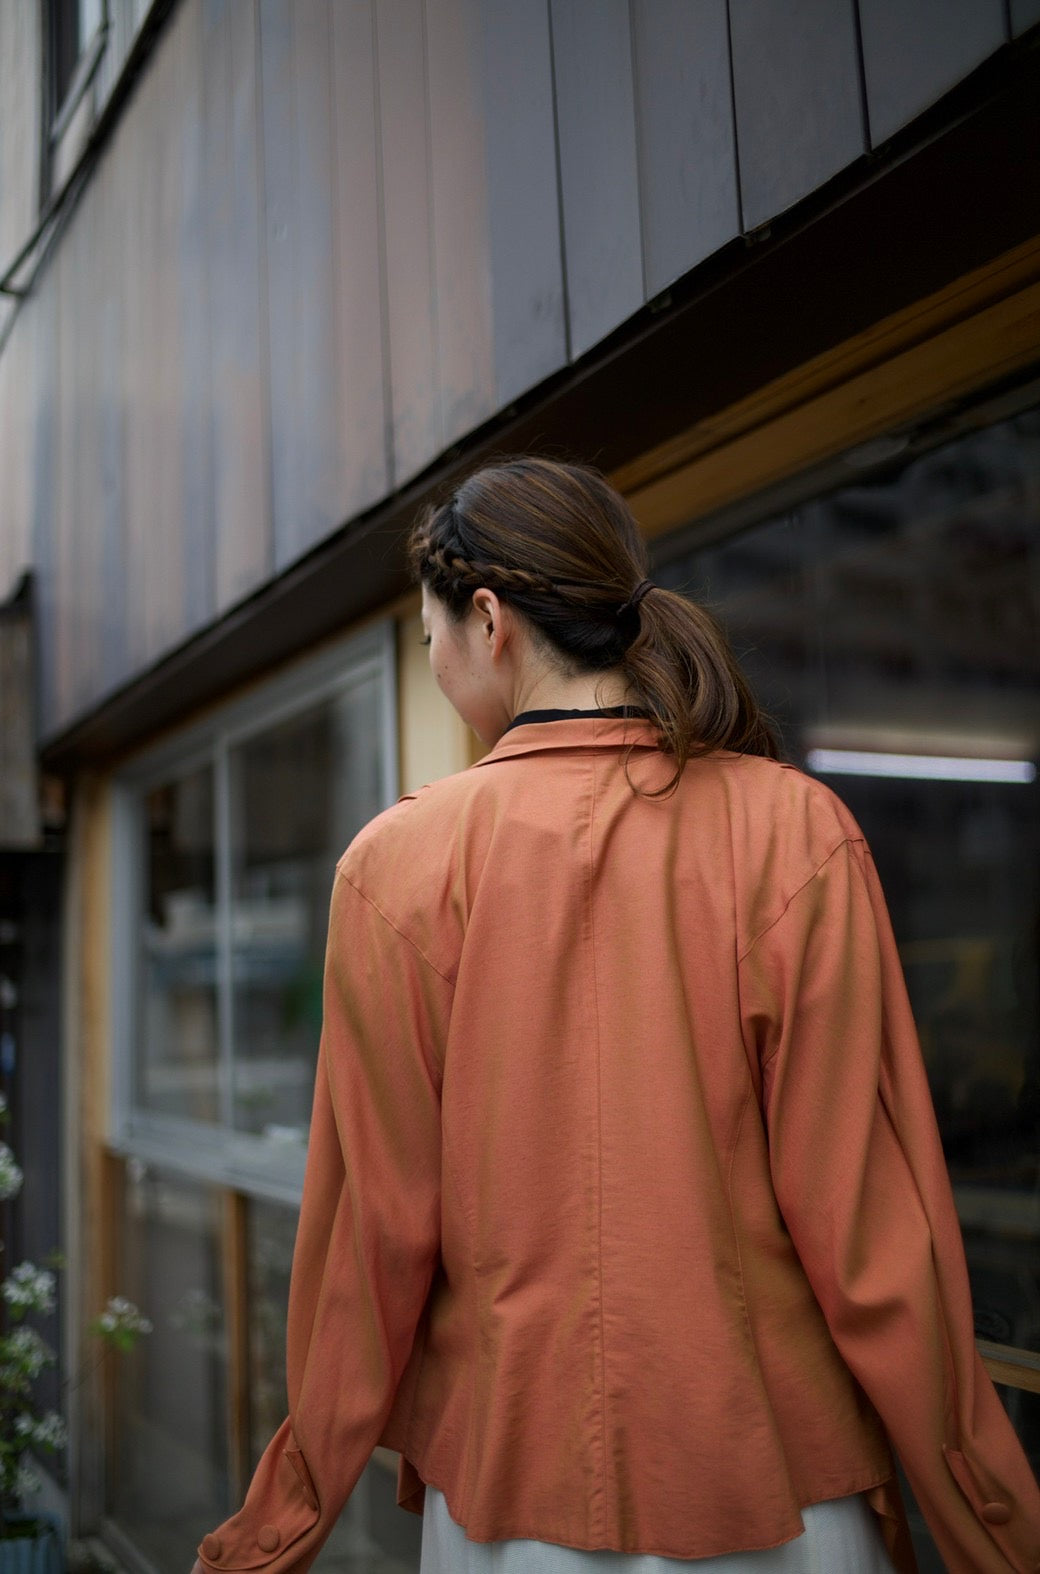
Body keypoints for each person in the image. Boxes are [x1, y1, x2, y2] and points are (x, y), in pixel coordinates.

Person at [192, 458, 1040, 1574]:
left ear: (487, 621)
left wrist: (276, 1526)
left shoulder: (393, 869)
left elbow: (371, 1245)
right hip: (779, 1496)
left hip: (509, 1505)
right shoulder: (794, 833)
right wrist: (991, 1525)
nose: (434, 661)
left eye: (427, 636)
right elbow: (875, 1233)